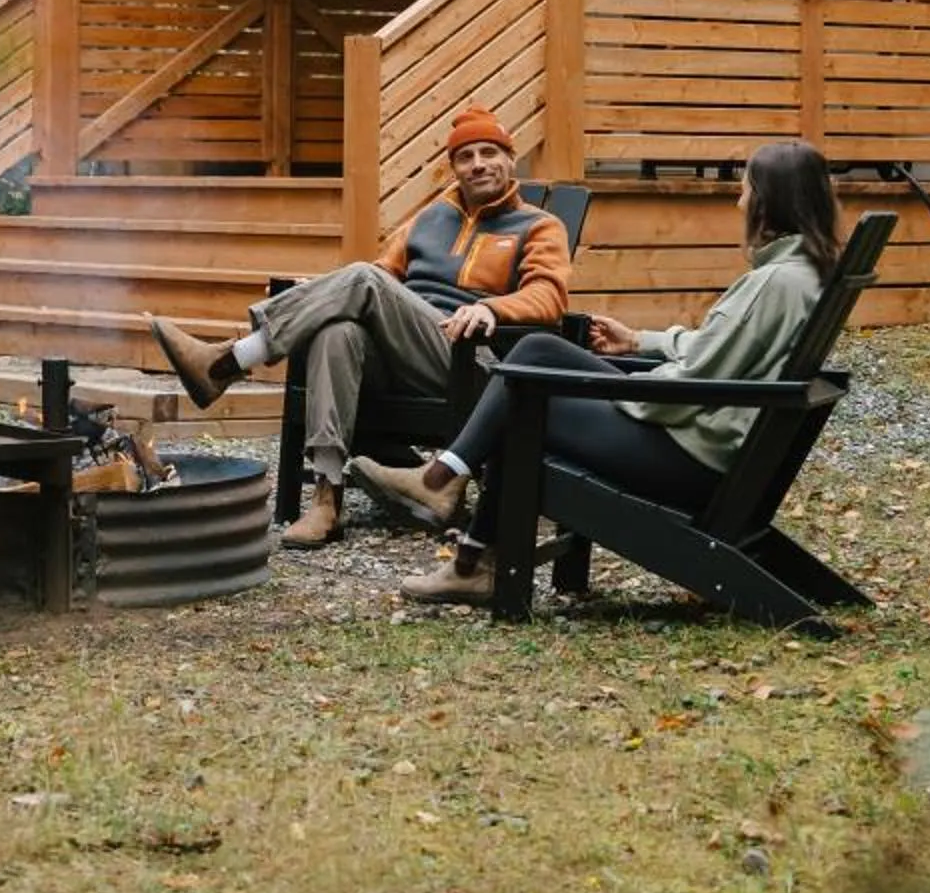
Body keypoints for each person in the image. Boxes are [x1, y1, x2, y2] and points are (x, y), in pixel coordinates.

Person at [353, 137, 841, 607]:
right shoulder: (802, 274)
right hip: (714, 443)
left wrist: (619, 388)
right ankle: (451, 496)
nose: (741, 202)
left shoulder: (773, 283)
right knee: (538, 350)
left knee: (523, 398)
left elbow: (694, 383)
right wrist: (639, 343)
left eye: (747, 189)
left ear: (770, 202)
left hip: (689, 456)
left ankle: (458, 526)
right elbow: (724, 352)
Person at [146, 105, 570, 549]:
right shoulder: (429, 220)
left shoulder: (539, 226)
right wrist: (325, 296)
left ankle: (228, 363)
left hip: (469, 359)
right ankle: (326, 501)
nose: (478, 163)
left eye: (489, 152)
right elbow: (383, 277)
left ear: (509, 157)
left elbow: (550, 296)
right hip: (403, 354)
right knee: (337, 331)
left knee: (359, 279)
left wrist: (495, 309)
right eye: (466, 156)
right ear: (454, 168)